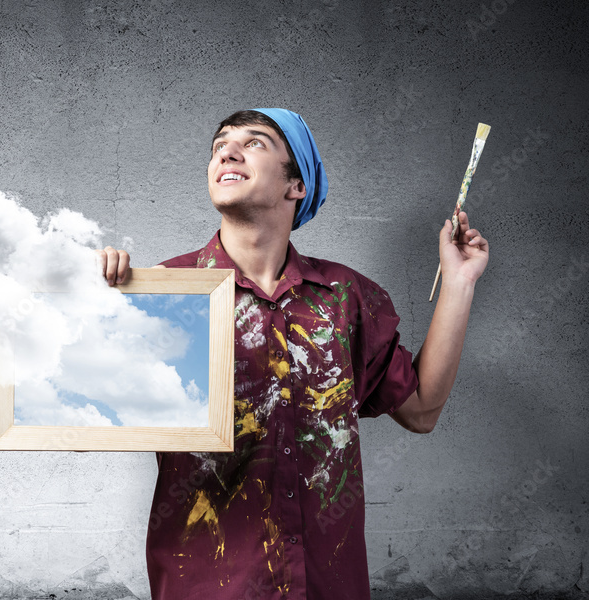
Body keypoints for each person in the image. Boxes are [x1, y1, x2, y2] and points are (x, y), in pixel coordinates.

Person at [96, 108, 489, 599]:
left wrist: (458, 281)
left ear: (296, 185)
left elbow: (423, 410)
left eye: (255, 142)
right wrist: (86, 305)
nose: (227, 150)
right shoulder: (167, 296)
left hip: (327, 585)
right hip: (209, 585)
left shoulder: (346, 298)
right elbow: (82, 410)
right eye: (220, 143)